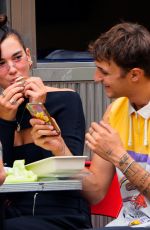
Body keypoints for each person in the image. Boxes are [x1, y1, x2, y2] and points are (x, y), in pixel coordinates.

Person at [0, 14, 92, 229]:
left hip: (60, 211)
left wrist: (38, 107)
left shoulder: (66, 99)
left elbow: (67, 168)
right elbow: (4, 170)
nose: (12, 69)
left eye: (17, 58)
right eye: (1, 63)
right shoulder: (2, 110)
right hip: (13, 211)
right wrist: (5, 121)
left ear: (29, 57)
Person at [83, 21, 150, 229]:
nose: (96, 78)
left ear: (135, 75)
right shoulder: (114, 111)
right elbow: (95, 191)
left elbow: (118, 157)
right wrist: (59, 149)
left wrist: (119, 157)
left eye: (103, 71)